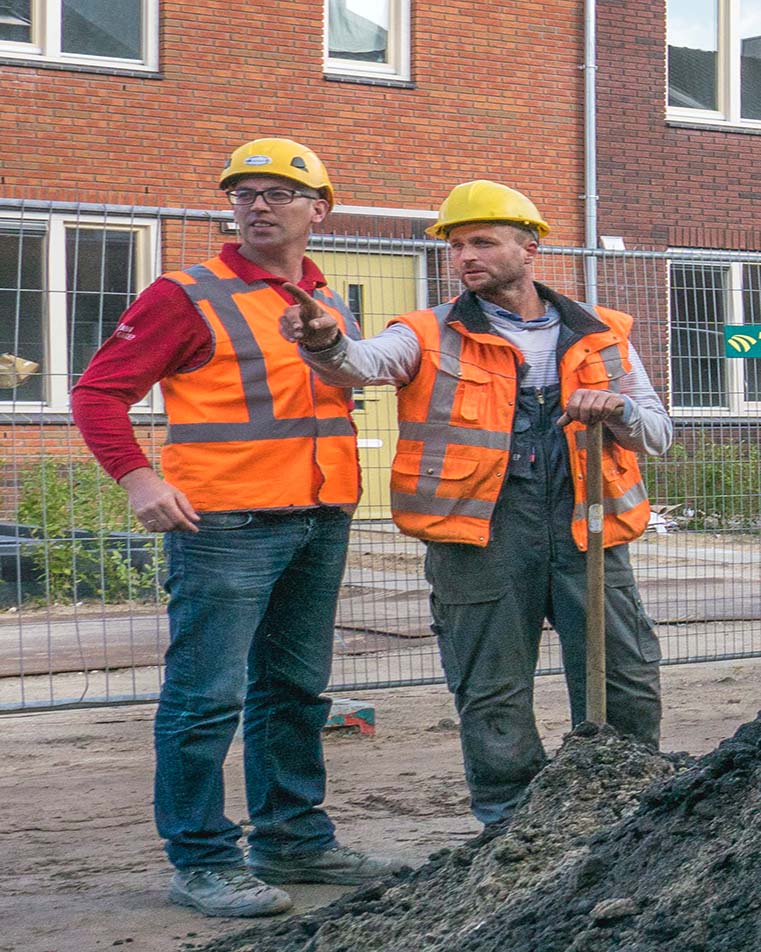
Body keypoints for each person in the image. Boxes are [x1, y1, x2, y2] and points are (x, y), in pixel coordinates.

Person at [72, 137, 402, 919]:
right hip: (225, 525)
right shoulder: (188, 294)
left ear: (318, 210)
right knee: (204, 698)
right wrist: (139, 478)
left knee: (294, 689)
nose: (257, 205)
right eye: (243, 193)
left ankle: (294, 838)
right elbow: (97, 393)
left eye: (277, 194)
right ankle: (201, 859)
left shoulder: (324, 299)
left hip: (320, 517)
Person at [280, 179, 673, 830]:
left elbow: (658, 433)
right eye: (456, 245)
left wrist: (620, 408)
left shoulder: (601, 332)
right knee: (491, 691)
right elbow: (362, 363)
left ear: (530, 247)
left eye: (482, 242)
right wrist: (324, 343)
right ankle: (510, 828)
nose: (464, 256)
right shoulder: (426, 334)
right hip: (478, 537)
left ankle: (622, 815)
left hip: (587, 532)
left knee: (624, 679)